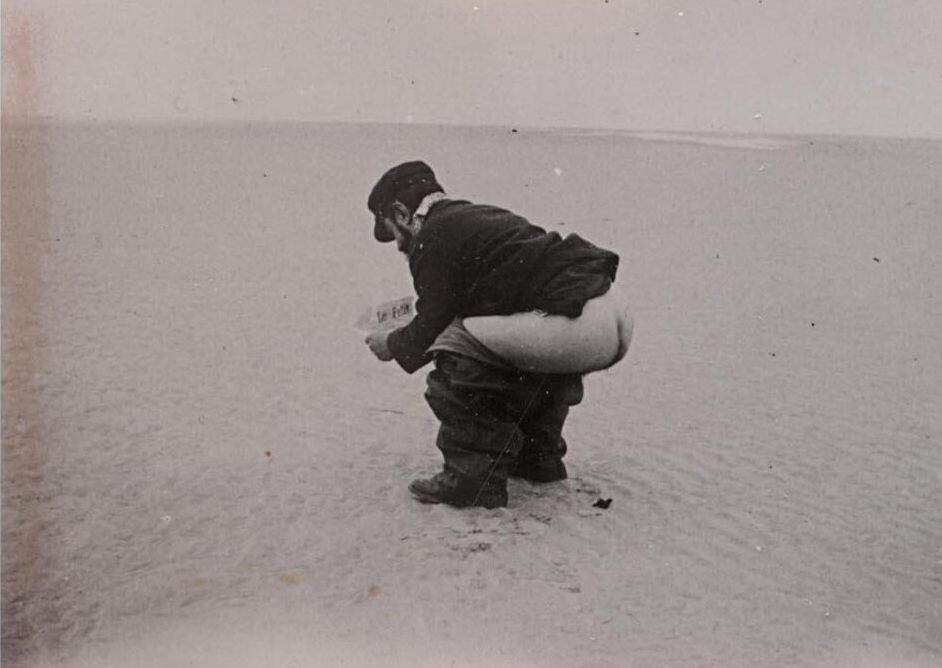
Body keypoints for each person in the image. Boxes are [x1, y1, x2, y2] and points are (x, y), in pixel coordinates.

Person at [364, 160, 629, 509]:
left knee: (457, 342)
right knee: (501, 341)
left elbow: (432, 325)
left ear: (400, 212)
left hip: (576, 324)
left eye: (392, 232)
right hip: (606, 309)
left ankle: (472, 480)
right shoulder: (474, 216)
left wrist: (391, 344)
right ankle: (538, 460)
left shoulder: (430, 237)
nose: (398, 245)